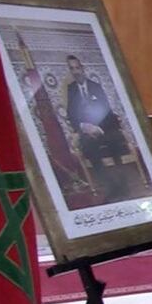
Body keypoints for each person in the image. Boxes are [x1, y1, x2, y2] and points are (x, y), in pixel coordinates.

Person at [63, 55, 129, 198]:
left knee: (114, 139)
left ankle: (123, 183)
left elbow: (107, 111)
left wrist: (99, 128)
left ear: (83, 69)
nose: (76, 71)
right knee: (88, 146)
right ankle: (111, 185)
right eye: (72, 69)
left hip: (102, 128)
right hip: (86, 132)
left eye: (77, 68)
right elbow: (71, 115)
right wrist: (84, 126)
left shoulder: (95, 87)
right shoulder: (71, 89)